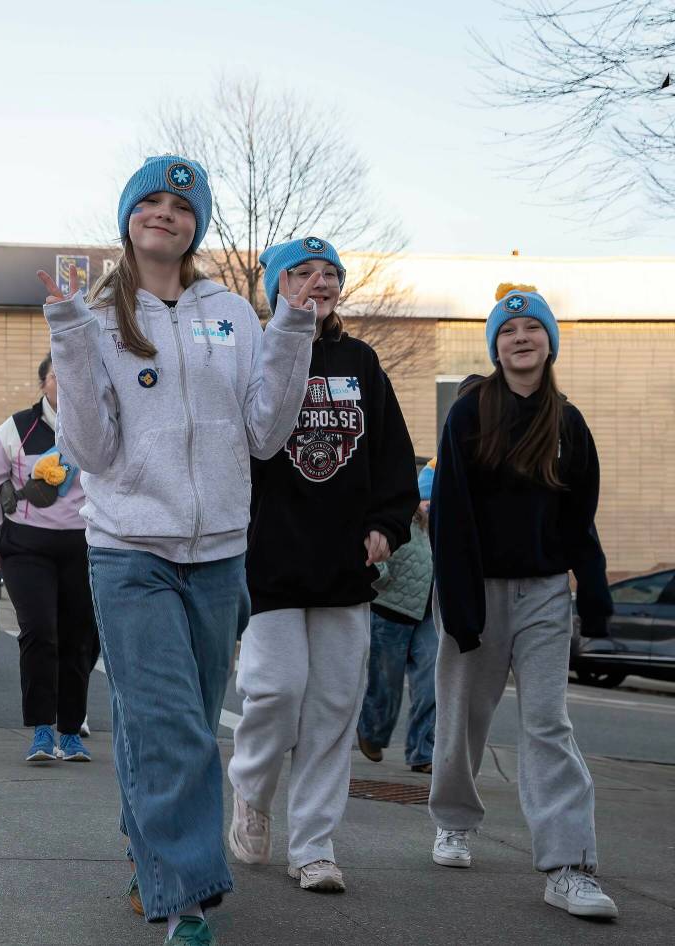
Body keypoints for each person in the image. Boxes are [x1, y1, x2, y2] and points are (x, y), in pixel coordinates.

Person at [39, 154, 317, 945]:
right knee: (170, 729)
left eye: (181, 206)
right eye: (150, 201)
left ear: (198, 225)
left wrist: (293, 327)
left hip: (221, 552)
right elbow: (89, 450)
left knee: (176, 723)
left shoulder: (231, 311)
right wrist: (67, 339)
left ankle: (153, 863)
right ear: (127, 215)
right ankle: (189, 903)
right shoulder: (94, 314)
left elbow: (267, 432)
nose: (165, 213)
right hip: (129, 549)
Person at [225, 236, 418, 895]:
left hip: (343, 566)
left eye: (329, 272)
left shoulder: (360, 361)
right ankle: (250, 789)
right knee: (275, 692)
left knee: (334, 707)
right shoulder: (257, 355)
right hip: (270, 563)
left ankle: (313, 845)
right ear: (277, 286)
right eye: (302, 272)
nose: (319, 282)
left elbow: (394, 459)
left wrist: (387, 528)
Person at [429, 285, 618, 920]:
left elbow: (578, 516)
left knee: (548, 724)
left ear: (548, 341)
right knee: (462, 717)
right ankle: (453, 821)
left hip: (541, 593)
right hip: (474, 588)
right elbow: (451, 515)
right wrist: (459, 604)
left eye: (531, 329)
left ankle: (569, 865)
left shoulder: (567, 422)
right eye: (507, 332)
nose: (520, 339)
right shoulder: (468, 414)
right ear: (495, 346)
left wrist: (591, 591)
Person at [0, 353, 98, 763]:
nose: (64, 383)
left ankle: (71, 730)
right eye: (57, 376)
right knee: (40, 631)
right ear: (43, 383)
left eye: (72, 375)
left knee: (78, 638)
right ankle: (42, 731)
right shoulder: (16, 430)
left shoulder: (97, 427)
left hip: (83, 545)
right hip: (26, 547)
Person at [357, 461, 437, 773]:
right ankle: (373, 733)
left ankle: (423, 751)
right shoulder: (404, 519)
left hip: (429, 616)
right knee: (385, 684)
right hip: (391, 611)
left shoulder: (442, 526)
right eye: (426, 498)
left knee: (431, 683)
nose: (430, 504)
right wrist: (380, 574)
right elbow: (375, 548)